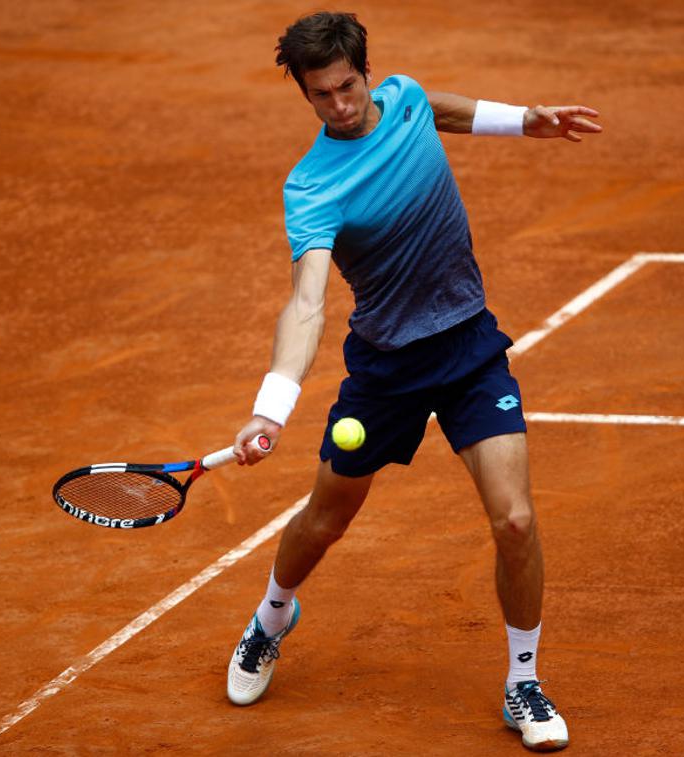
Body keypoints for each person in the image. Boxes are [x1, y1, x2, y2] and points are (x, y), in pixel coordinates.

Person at [227, 11, 601, 752]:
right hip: (385, 371)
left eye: (346, 85)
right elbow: (307, 302)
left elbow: (440, 109)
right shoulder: (311, 187)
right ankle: (271, 616)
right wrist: (271, 405)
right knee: (325, 521)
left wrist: (528, 120)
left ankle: (522, 680)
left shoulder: (403, 98)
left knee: (516, 519)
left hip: (468, 347)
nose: (339, 105)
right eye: (320, 95)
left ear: (367, 72)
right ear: (303, 96)